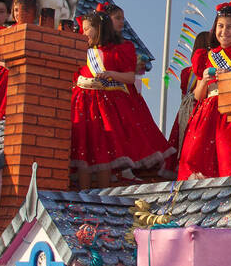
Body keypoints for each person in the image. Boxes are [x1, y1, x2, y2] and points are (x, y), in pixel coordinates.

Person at [69, 11, 174, 188]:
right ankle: (81, 192)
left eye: (87, 29)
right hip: (83, 103)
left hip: (106, 104)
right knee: (83, 151)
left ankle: (101, 194)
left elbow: (129, 77)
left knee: (104, 151)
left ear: (99, 28)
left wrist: (110, 74)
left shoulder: (120, 49)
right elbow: (74, 76)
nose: (84, 32)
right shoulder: (82, 51)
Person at [180, 1, 231, 179]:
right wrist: (204, 82)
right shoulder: (205, 55)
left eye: (229, 27)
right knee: (196, 158)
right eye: (220, 26)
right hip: (207, 112)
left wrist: (230, 77)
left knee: (227, 156)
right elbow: (197, 96)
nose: (223, 31)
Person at [168, 30, 212, 176]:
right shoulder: (199, 70)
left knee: (184, 141)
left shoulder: (186, 72)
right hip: (200, 107)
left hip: (184, 109)